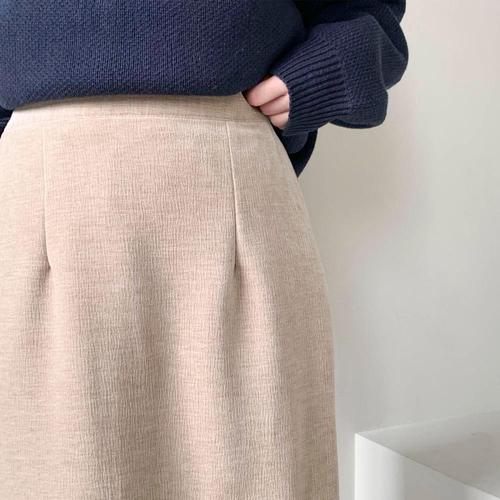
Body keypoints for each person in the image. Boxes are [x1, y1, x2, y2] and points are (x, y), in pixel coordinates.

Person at [0, 2, 408, 498]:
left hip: (228, 158)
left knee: (257, 469)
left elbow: (367, 8)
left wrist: (337, 61)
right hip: (38, 177)